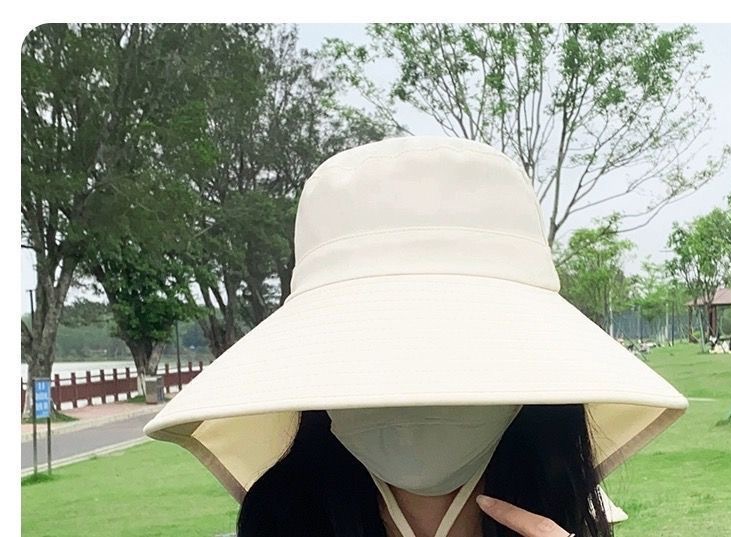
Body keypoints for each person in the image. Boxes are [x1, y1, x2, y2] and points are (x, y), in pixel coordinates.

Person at [144, 136, 688, 537]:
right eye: (375, 345)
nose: (419, 387)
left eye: (462, 344)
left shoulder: (564, 505)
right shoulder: (281, 520)